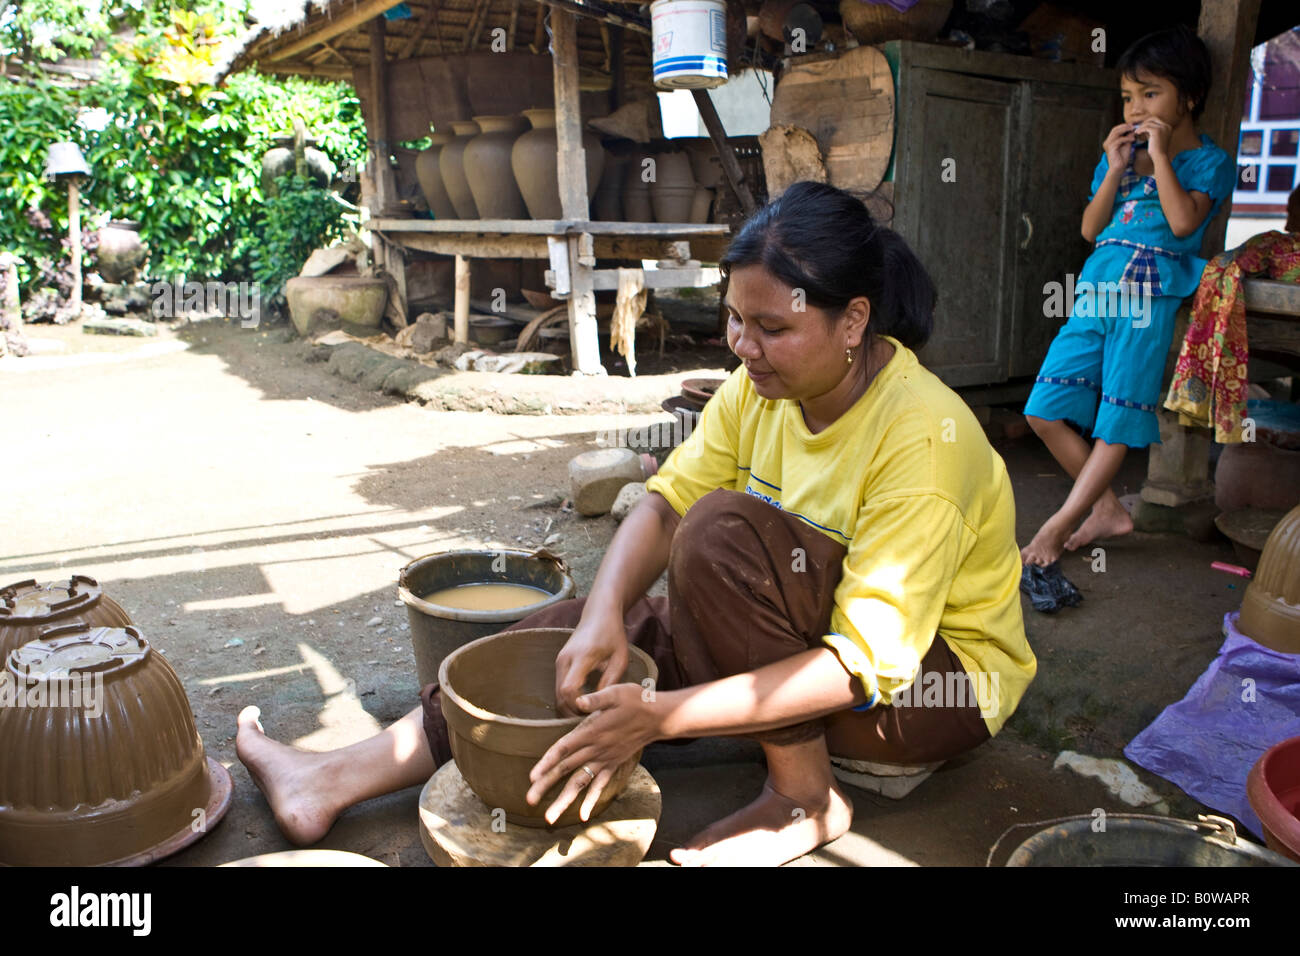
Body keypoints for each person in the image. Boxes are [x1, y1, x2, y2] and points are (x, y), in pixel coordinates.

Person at [237, 181, 1036, 867]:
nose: (743, 348)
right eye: (734, 320)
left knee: (721, 537)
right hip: (799, 637)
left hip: (922, 697)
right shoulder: (757, 390)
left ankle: (805, 796)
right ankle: (331, 778)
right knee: (560, 643)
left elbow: (860, 667)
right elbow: (661, 503)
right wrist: (601, 618)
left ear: (854, 321)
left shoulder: (922, 441)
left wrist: (661, 717)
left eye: (773, 329)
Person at [1020, 25, 1237, 571]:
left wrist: (1160, 156)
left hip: (1147, 295)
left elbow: (1185, 223)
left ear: (1188, 97)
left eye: (1150, 93)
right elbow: (1091, 229)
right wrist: (1115, 168)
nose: (1136, 108)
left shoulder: (1208, 163)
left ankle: (1059, 524)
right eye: (1127, 96)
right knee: (1043, 411)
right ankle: (1109, 510)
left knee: (1115, 418)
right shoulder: (1118, 157)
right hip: (1095, 288)